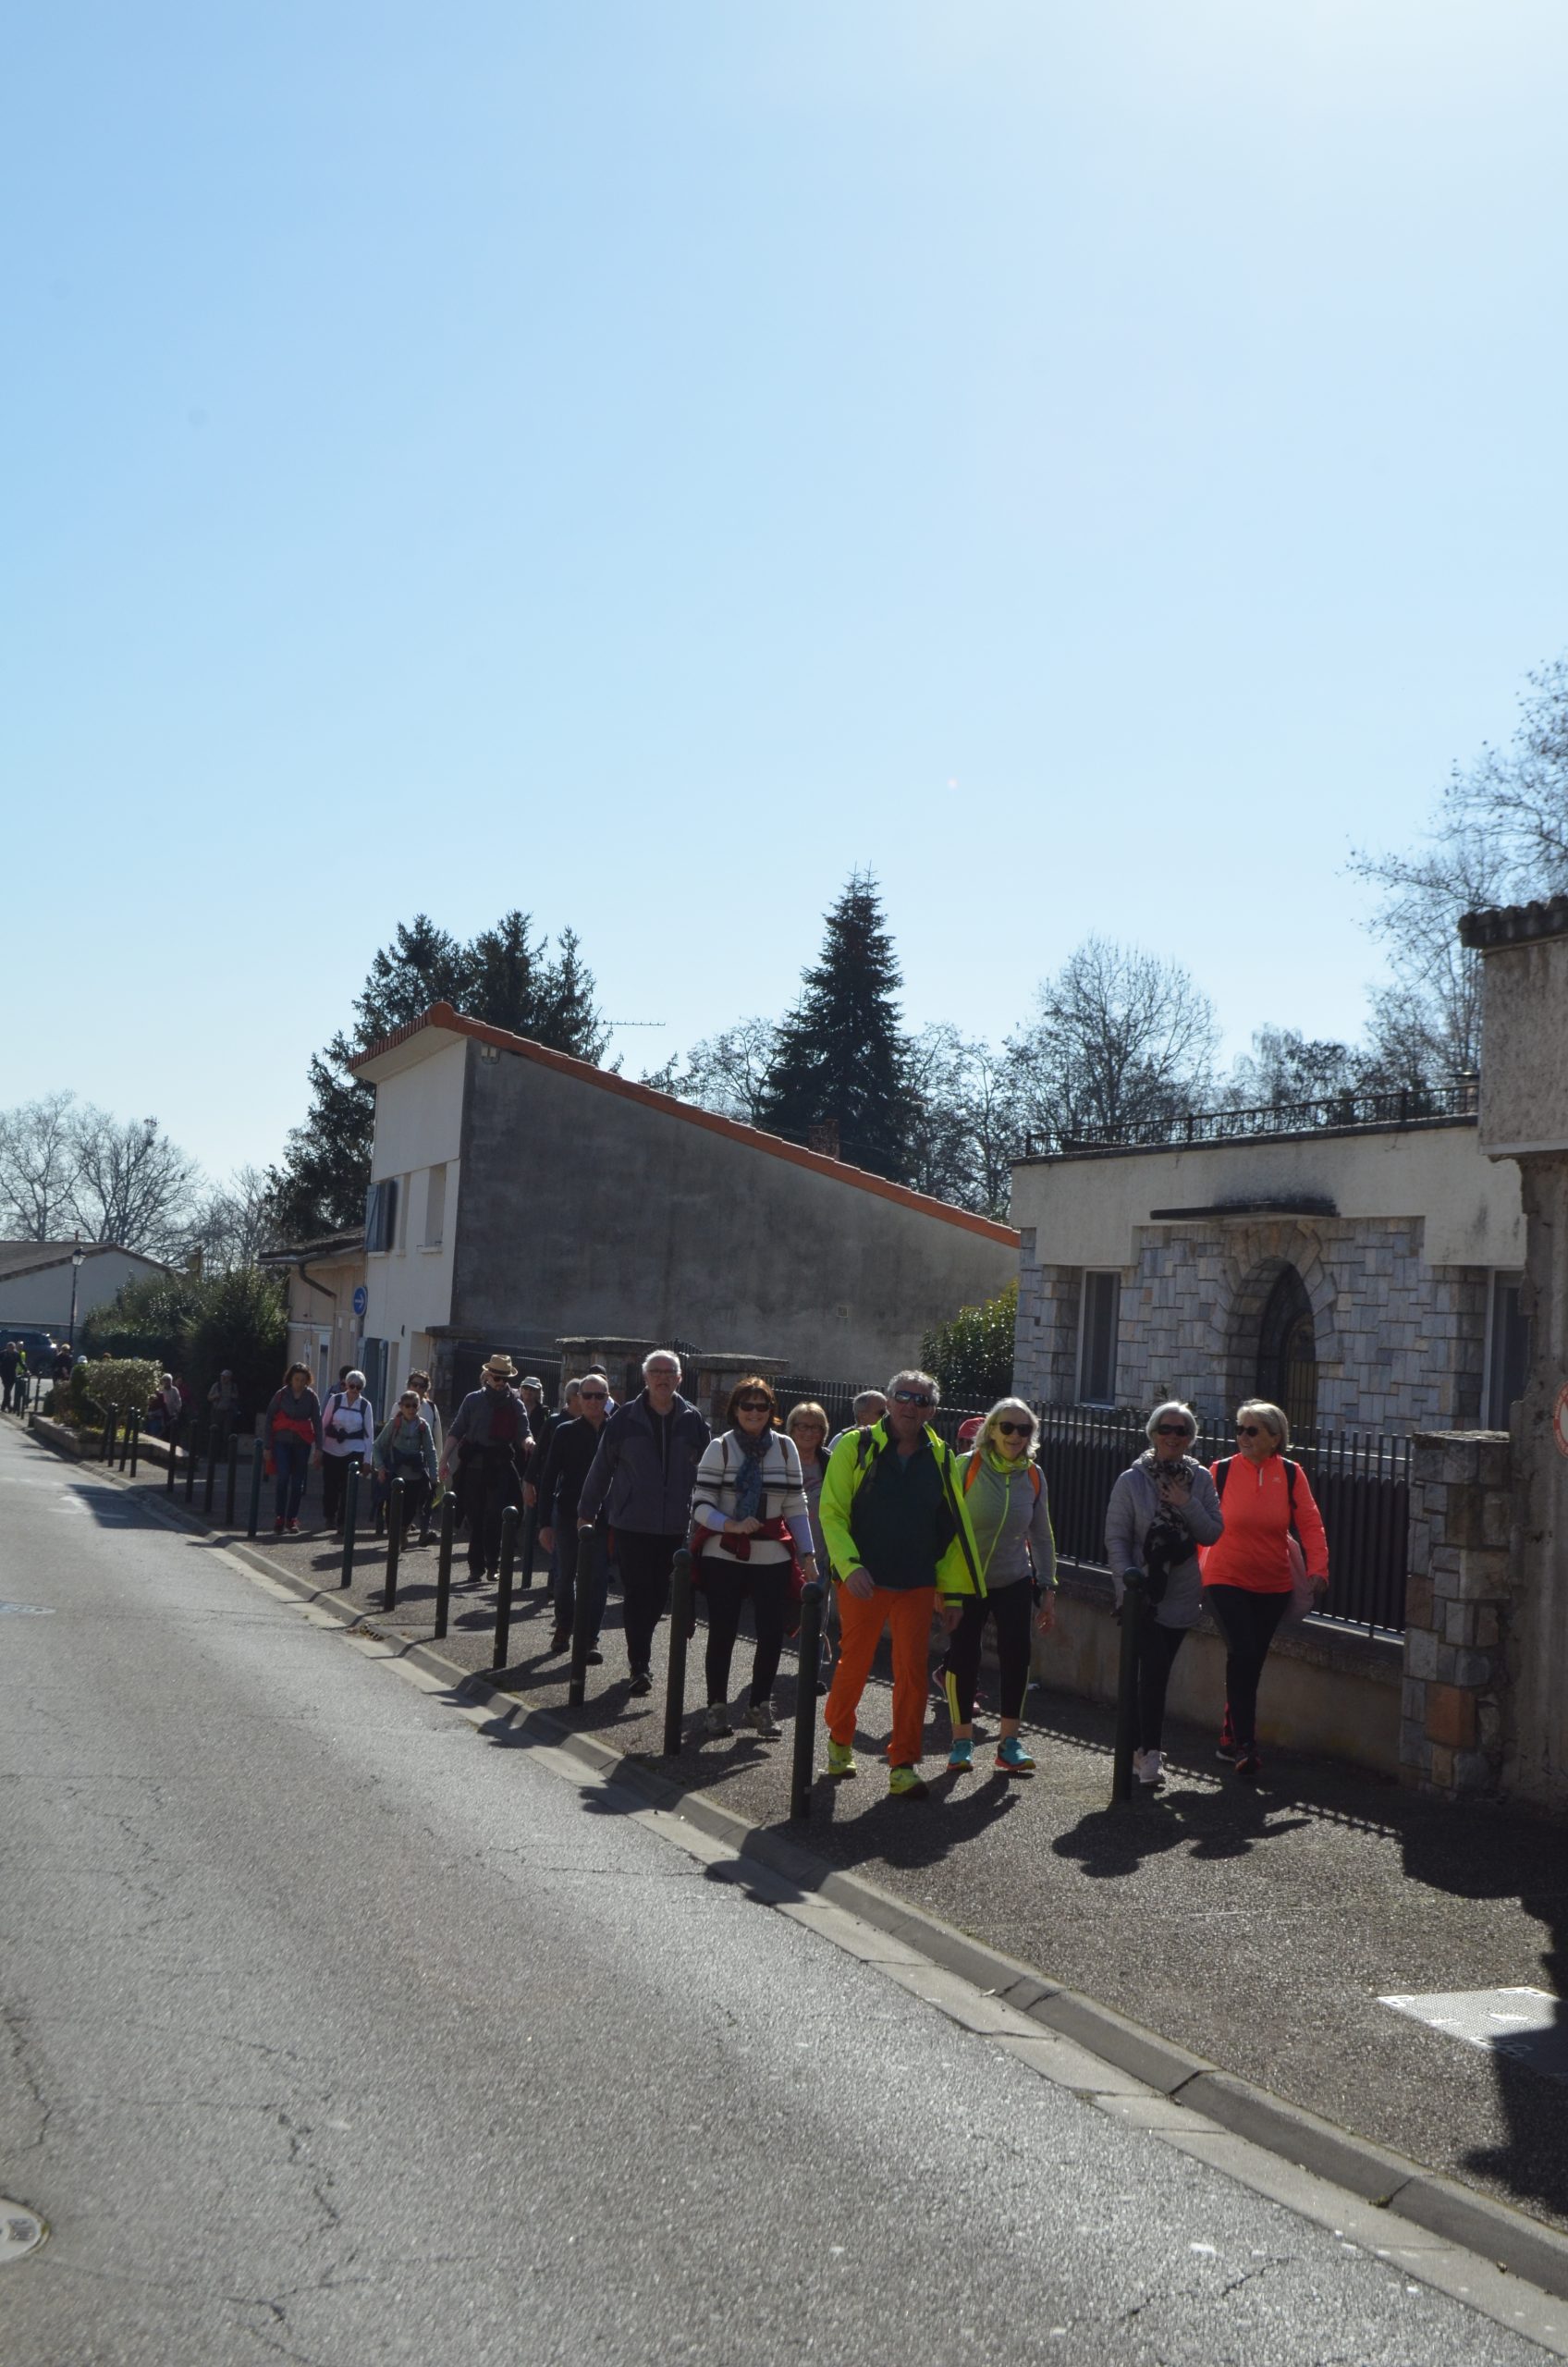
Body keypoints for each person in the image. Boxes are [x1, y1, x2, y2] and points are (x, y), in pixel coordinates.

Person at [819, 1369, 984, 1799]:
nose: (912, 1406)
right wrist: (850, 1566)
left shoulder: (942, 1456)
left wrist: (952, 1593)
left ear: (933, 1411)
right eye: (904, 1397)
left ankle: (904, 1764)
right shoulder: (855, 1446)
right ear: (888, 1402)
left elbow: (950, 1528)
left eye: (922, 1400)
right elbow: (832, 1512)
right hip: (864, 1579)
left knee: (912, 1673)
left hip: (917, 1581)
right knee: (855, 1664)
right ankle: (839, 1740)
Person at [1203, 1401, 1329, 1780]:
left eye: (1252, 1430)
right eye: (1239, 1429)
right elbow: (1198, 1522)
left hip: (1273, 1583)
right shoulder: (1220, 1471)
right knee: (1242, 1650)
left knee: (1250, 1660)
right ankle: (1246, 1744)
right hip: (1224, 1577)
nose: (1243, 1436)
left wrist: (1318, 1568)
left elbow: (1311, 1523)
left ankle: (1230, 1737)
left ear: (1275, 1437)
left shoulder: (1290, 1473)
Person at [1104, 1401, 1225, 1790]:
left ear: (1190, 1438)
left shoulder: (1200, 1479)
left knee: (1156, 1674)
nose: (1173, 1437)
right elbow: (1117, 1539)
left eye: (1181, 1431)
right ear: (1153, 1433)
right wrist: (1126, 1588)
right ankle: (1150, 1753)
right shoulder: (1132, 1480)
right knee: (1152, 1671)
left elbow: (1212, 1532)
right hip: (1142, 1592)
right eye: (1166, 1429)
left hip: (1182, 1593)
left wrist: (1185, 1502)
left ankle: (1139, 1748)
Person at [576, 1349, 710, 1697]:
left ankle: (641, 1649)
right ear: (646, 1378)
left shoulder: (693, 1421)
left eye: (669, 1372)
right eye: (657, 1372)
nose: (663, 1378)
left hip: (675, 1525)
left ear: (679, 1379)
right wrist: (586, 1511)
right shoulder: (625, 1419)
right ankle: (639, 1664)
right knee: (637, 1593)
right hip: (632, 1523)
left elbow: (709, 1474)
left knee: (658, 1595)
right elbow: (602, 1467)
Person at [692, 1379, 817, 1739]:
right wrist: (730, 1524)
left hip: (772, 1555)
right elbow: (700, 1504)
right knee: (723, 1631)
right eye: (747, 1405)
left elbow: (795, 1504)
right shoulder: (720, 1448)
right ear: (735, 1409)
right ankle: (717, 1708)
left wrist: (808, 1555)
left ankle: (759, 1706)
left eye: (762, 1406)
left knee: (771, 1635)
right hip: (724, 1553)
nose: (754, 1412)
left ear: (771, 1411)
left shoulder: (785, 1447)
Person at [943, 1398, 1059, 1776]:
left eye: (1024, 1429)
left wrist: (1048, 1587)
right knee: (964, 1656)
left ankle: (1009, 1743)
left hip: (1013, 1577)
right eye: (1007, 1427)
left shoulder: (1033, 1475)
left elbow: (1041, 1535)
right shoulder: (965, 1467)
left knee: (1017, 1654)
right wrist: (941, 1586)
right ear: (991, 1430)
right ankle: (962, 1741)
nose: (1015, 1435)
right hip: (966, 1578)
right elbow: (940, 1525)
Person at [442, 1353, 533, 1582]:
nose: (500, 1382)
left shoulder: (515, 1403)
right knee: (475, 1518)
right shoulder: (473, 1400)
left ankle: (493, 1564)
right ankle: (476, 1567)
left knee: (494, 1517)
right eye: (497, 1377)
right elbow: (457, 1430)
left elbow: (523, 1431)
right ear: (488, 1376)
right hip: (473, 1467)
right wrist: (443, 1460)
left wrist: (528, 1442)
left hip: (499, 1467)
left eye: (504, 1378)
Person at [537, 1377, 611, 1658]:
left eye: (599, 1396)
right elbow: (548, 1477)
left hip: (604, 1517)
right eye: (588, 1395)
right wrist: (545, 1524)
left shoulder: (616, 1430)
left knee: (598, 1579)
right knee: (565, 1575)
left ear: (607, 1398)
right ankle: (564, 1626)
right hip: (568, 1513)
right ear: (578, 1398)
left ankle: (591, 1638)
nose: (593, 1401)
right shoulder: (565, 1431)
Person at [784, 1401, 835, 1695]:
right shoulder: (780, 1458)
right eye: (802, 1425)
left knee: (817, 1614)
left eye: (816, 1427)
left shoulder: (830, 1462)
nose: (809, 1432)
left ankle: (810, 1675)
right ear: (791, 1428)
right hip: (783, 1552)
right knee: (781, 1616)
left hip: (821, 1552)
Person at [374, 1390, 439, 1542]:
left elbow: (430, 1452)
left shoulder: (423, 1426)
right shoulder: (394, 1424)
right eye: (407, 1405)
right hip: (395, 1472)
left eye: (414, 1405)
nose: (411, 1409)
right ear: (401, 1407)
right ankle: (394, 1537)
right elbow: (377, 1446)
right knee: (392, 1506)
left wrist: (434, 1475)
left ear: (418, 1407)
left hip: (415, 1473)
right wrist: (380, 1467)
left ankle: (403, 1531)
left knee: (411, 1507)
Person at [264, 1363, 322, 1532]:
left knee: (297, 1484)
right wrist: (267, 1446)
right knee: (282, 1478)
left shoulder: (311, 1397)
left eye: (303, 1380)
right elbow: (269, 1419)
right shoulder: (281, 1395)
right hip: (282, 1442)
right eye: (297, 1379)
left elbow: (317, 1422)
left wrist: (319, 1447)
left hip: (302, 1444)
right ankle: (279, 1517)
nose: (299, 1383)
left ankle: (291, 1518)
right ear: (290, 1379)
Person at [320, 1369, 375, 1536]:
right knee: (330, 1486)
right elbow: (324, 1425)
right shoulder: (335, 1400)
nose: (355, 1390)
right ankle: (330, 1516)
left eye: (359, 1387)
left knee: (348, 1488)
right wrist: (318, 1450)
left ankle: (343, 1522)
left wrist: (367, 1460)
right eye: (352, 1386)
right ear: (346, 1385)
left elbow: (369, 1434)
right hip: (331, 1449)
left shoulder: (365, 1405)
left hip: (354, 1450)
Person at [827, 1389, 888, 1453]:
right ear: (863, 1416)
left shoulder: (889, 1438)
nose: (887, 1416)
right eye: (882, 1413)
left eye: (888, 1412)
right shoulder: (841, 1440)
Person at [406, 1369, 443, 1457]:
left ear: (426, 1389)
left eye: (422, 1386)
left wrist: (439, 1460)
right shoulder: (399, 1406)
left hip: (424, 1459)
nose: (417, 1388)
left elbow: (438, 1438)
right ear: (409, 1386)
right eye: (415, 1385)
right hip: (402, 1458)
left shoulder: (431, 1407)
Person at [207, 1369, 241, 1455]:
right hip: (217, 1412)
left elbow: (236, 1396)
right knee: (216, 1432)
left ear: (229, 1378)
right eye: (222, 1377)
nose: (223, 1379)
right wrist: (215, 1396)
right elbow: (209, 1397)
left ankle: (224, 1454)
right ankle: (215, 1454)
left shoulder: (233, 1386)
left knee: (227, 1433)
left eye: (225, 1377)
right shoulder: (216, 1385)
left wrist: (233, 1396)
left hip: (228, 1412)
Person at [0, 1340, 17, 1415]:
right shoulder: (2, 1354)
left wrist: (26, 1370)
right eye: (10, 1348)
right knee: (7, 1389)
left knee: (8, 1390)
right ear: (7, 1348)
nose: (11, 1349)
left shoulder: (16, 1354)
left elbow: (21, 1362)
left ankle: (3, 1406)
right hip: (4, 1374)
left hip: (12, 1374)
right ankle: (9, 1406)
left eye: (13, 1348)